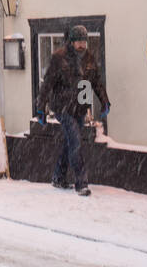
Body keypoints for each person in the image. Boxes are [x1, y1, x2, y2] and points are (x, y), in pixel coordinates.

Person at [35, 24, 109, 197]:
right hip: (63, 108)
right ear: (72, 42)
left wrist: (104, 101)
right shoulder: (59, 58)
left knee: (70, 142)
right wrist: (40, 108)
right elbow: (47, 84)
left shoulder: (89, 59)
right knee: (76, 142)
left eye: (84, 41)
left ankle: (58, 177)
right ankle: (81, 183)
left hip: (80, 108)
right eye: (78, 41)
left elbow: (96, 82)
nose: (82, 45)